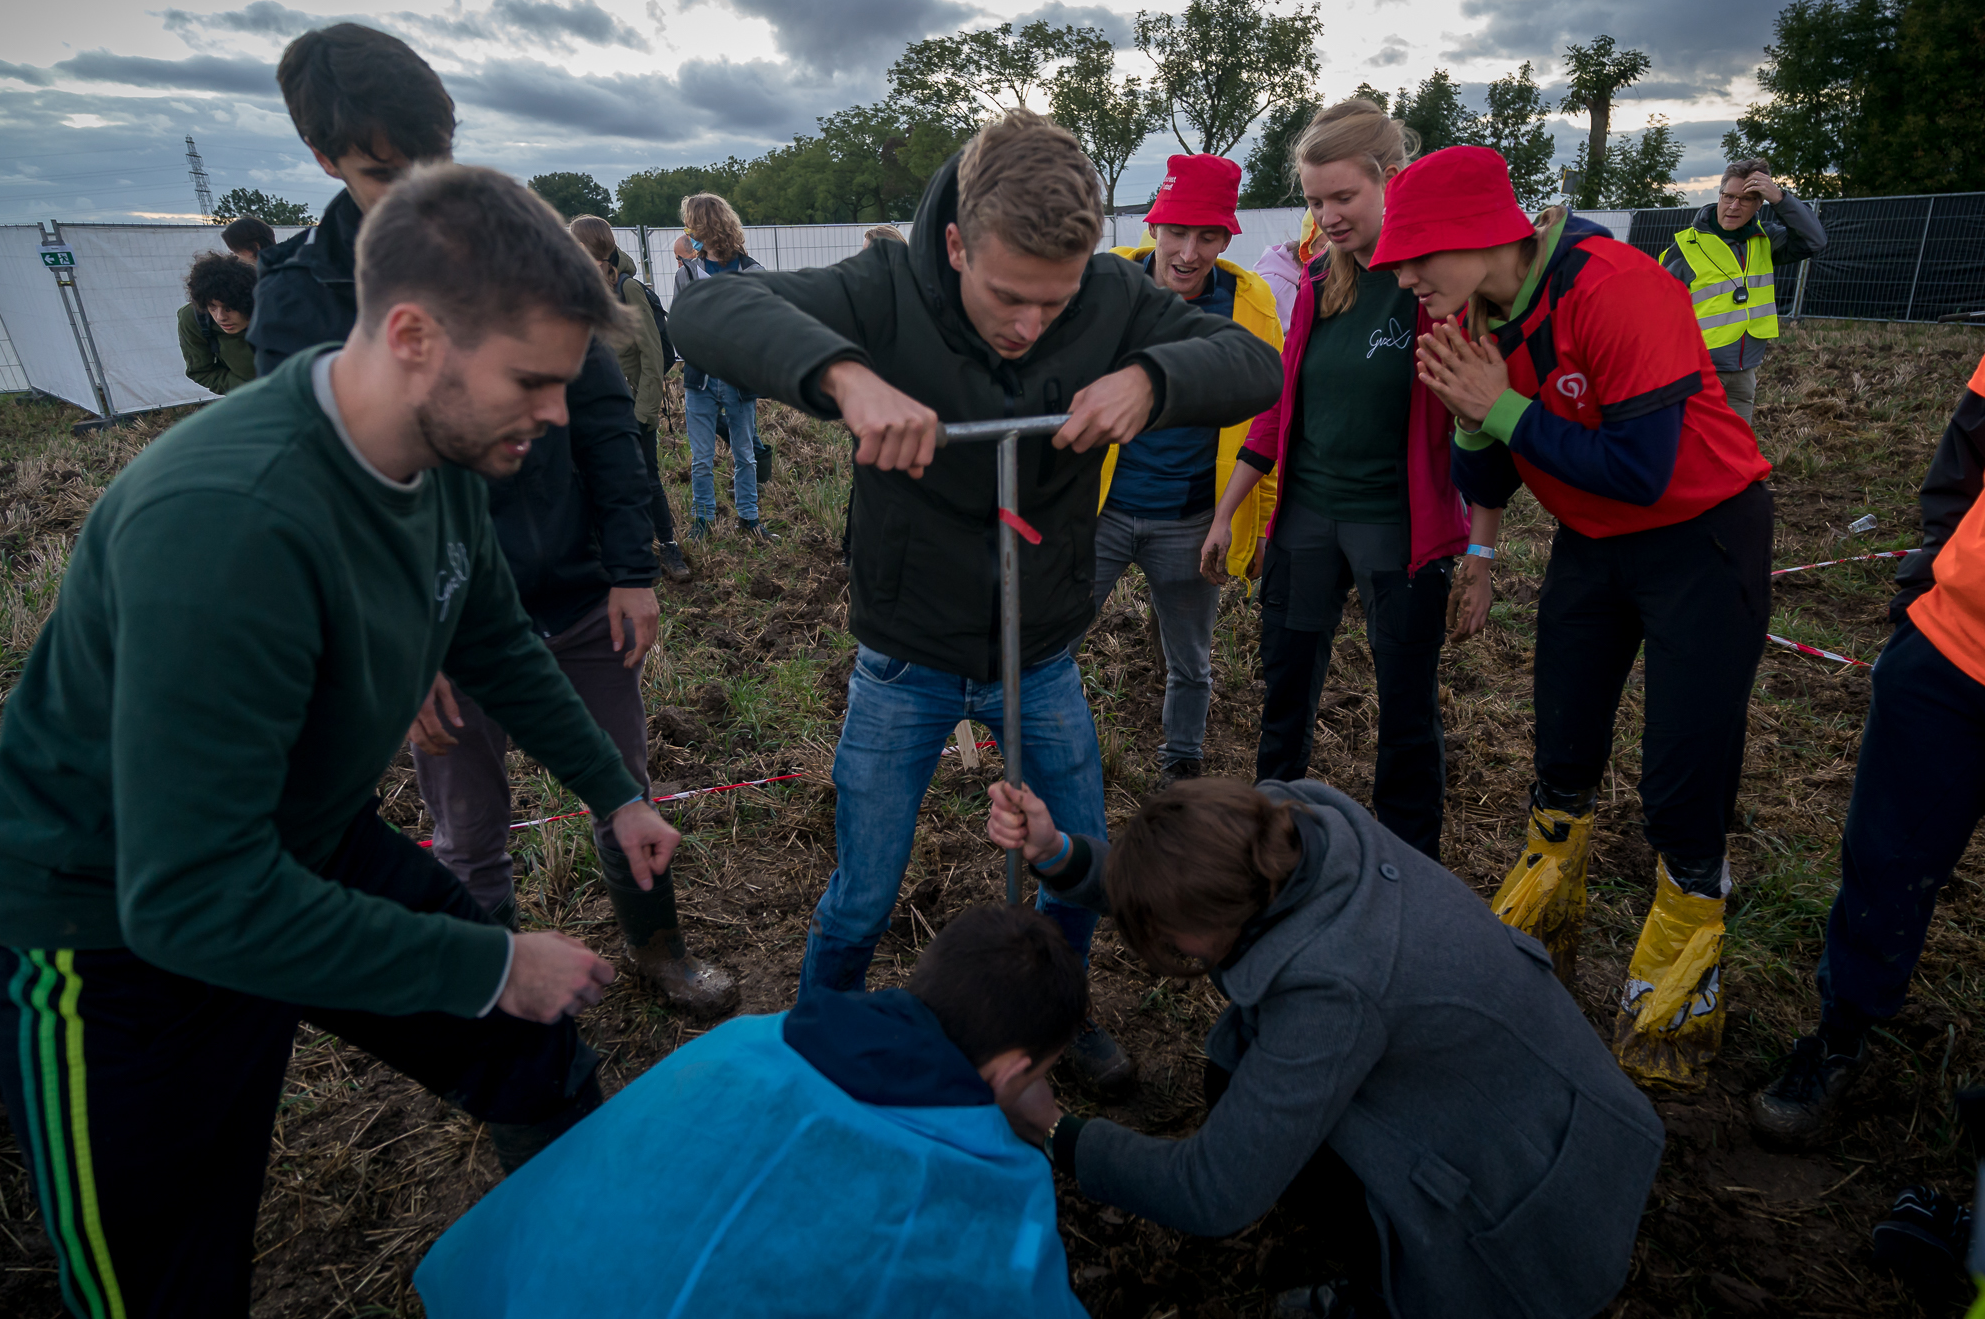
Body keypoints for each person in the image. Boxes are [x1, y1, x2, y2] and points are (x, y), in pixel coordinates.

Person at [0, 163, 682, 1317]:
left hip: (293, 846)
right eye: (532, 382)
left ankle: (582, 1277)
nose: (554, 415)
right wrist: (489, 957)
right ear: (411, 335)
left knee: (529, 1046)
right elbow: (187, 898)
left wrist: (611, 792)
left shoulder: (437, 461)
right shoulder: (228, 524)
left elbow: (492, 639)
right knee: (165, 1280)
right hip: (102, 936)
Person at [669, 109, 1284, 1094]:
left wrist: (1148, 375)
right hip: (903, 657)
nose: (1030, 325)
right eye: (1007, 296)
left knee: (1075, 861)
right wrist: (844, 375)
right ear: (954, 243)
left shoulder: (1114, 297)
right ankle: (819, 1033)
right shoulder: (880, 290)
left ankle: (1059, 1014)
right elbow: (702, 315)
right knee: (862, 890)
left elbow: (1252, 364)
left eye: (1057, 300)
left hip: (1039, 652)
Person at [1380, 145, 1773, 1090]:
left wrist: (1501, 408)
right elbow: (1493, 473)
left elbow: (1640, 469)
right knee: (1561, 742)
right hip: (1593, 541)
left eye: (1415, 255)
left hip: (1701, 534)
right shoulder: (1479, 313)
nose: (1404, 278)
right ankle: (1543, 933)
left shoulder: (1614, 287)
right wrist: (1475, 419)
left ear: (1484, 236)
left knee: (1682, 772)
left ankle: (1678, 982)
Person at [985, 776, 1664, 1319]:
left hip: (1530, 1218)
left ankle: (1391, 1290)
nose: (1165, 945)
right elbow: (1185, 887)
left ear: (1222, 921)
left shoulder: (1334, 991)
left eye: (1173, 936)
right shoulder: (1287, 826)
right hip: (1536, 1104)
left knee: (1258, 1127)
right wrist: (1059, 853)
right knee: (1238, 1078)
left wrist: (1053, 1129)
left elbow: (1212, 1191)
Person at [413, 904, 1089, 1318]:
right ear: (1012, 1070)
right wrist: (1046, 1127)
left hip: (501, 1293)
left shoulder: (747, 1039)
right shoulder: (990, 1190)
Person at [400, 210, 733, 1017]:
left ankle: (659, 946)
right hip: (452, 634)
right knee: (469, 823)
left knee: (624, 787)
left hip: (578, 604)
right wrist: (407, 652)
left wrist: (630, 571)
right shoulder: (396, 394)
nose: (548, 411)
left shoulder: (567, 333)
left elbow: (614, 450)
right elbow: (372, 527)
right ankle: (489, 994)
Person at [1202, 101, 1498, 862]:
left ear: (1388, 182)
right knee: (1285, 688)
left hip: (1395, 529)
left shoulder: (1431, 290)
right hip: (1306, 520)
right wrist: (1229, 511)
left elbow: (1480, 425)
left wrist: (1482, 549)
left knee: (1405, 704)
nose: (1326, 215)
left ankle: (1408, 859)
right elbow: (1280, 411)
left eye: (1343, 197)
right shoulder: (1316, 284)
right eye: (1313, 200)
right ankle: (1270, 842)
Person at [1751, 350, 1985, 1145]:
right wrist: (1935, 568)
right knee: (1883, 857)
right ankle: (1842, 1031)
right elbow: (1966, 449)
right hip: (1949, 652)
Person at [1095, 152, 1281, 789]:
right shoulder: (1104, 286)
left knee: (1192, 660)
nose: (1187, 251)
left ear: (1227, 238)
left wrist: (1257, 523)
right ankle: (1049, 752)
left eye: (1206, 236)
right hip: (1101, 511)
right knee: (1050, 639)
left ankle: (1182, 768)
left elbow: (1267, 422)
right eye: (1175, 231)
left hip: (1195, 519)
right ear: (1153, 227)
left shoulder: (1249, 305)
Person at [248, 23, 455, 377]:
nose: (425, 192)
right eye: (386, 175)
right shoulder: (292, 305)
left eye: (436, 160)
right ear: (324, 159)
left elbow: (582, 405)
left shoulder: (522, 242)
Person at [567, 215, 690, 582]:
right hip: (591, 407)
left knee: (647, 479)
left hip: (632, 407)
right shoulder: (577, 288)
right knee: (592, 480)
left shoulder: (628, 289)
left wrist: (645, 411)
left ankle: (668, 547)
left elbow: (653, 355)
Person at [1657, 156, 1825, 423]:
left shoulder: (1764, 239)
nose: (1733, 206)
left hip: (1745, 371)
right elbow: (1655, 313)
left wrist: (1781, 198)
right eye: (1728, 196)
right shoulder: (1685, 248)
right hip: (1699, 372)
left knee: (1736, 454)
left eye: (1745, 200)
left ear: (1759, 204)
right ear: (1720, 195)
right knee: (1695, 451)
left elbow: (1814, 240)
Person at [673, 193, 775, 544]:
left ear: (709, 226)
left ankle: (749, 519)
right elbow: (680, 328)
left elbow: (764, 328)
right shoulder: (687, 272)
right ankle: (702, 520)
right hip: (699, 381)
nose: (688, 234)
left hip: (737, 381)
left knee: (745, 455)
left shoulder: (753, 272)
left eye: (691, 226)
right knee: (701, 459)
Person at [178, 251, 258, 395]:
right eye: (212, 307)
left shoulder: (278, 313)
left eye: (229, 308)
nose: (220, 317)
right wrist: (248, 390)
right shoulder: (194, 318)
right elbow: (202, 372)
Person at [1253, 211, 1326, 334]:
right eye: (1324, 248)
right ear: (1307, 245)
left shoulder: (1337, 277)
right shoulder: (1273, 288)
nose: (1334, 255)